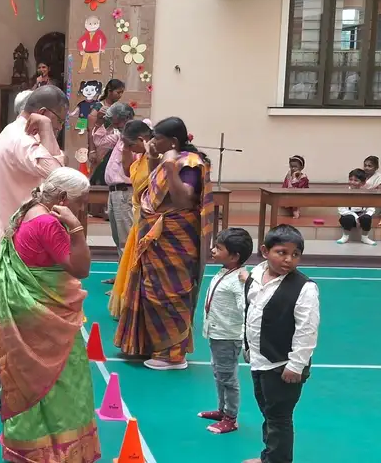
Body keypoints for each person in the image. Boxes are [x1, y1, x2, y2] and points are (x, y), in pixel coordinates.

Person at [0, 167, 100, 463]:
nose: (83, 207)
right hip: (47, 321)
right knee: (59, 379)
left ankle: (27, 443)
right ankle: (54, 451)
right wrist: (77, 229)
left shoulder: (28, 209)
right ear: (64, 198)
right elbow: (80, 269)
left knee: (28, 376)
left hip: (27, 313)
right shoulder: (48, 224)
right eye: (82, 201)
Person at [113, 116, 214, 371]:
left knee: (170, 293)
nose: (152, 142)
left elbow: (182, 201)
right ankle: (152, 345)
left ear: (172, 141)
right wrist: (156, 161)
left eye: (157, 138)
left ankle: (173, 355)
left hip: (174, 239)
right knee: (150, 290)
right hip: (154, 239)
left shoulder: (190, 164)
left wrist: (168, 166)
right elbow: (146, 194)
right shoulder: (162, 161)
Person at [0, 85, 65, 414]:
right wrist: (47, 130)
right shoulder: (22, 139)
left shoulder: (12, 131)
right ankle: (13, 394)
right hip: (20, 248)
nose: (60, 128)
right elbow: (60, 175)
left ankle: (15, 390)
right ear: (43, 114)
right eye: (59, 121)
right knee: (18, 325)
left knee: (15, 321)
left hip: (16, 241)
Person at [242, 224, 320, 463]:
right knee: (268, 412)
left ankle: (277, 461)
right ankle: (270, 456)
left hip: (283, 365)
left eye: (295, 255)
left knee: (279, 417)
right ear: (265, 251)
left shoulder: (304, 288)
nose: (288, 259)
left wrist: (296, 365)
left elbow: (307, 330)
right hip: (259, 360)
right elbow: (251, 314)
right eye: (282, 253)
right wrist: (248, 346)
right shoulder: (255, 275)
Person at [198, 227, 251, 435]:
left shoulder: (239, 280)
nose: (213, 250)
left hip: (228, 336)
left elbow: (245, 308)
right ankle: (222, 410)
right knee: (218, 373)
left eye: (218, 248)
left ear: (235, 256)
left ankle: (231, 417)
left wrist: (247, 336)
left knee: (228, 377)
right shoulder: (224, 271)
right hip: (216, 333)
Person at [107, 119, 154, 318]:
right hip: (137, 214)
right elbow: (128, 171)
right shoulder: (141, 157)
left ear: (142, 140)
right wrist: (125, 147)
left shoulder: (155, 158)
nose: (127, 148)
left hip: (148, 217)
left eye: (130, 144)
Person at [92, 100, 136, 283]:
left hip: (125, 191)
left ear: (123, 118)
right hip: (114, 192)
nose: (112, 120)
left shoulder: (136, 132)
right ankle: (121, 277)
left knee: (127, 238)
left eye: (114, 118)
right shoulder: (119, 135)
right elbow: (99, 142)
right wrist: (101, 123)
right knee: (118, 237)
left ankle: (128, 283)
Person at [87, 80, 129, 188]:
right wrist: (91, 150)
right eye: (118, 92)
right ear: (109, 91)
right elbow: (91, 129)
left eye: (121, 93)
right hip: (101, 144)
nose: (120, 95)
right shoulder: (99, 107)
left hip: (116, 143)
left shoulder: (119, 107)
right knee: (97, 174)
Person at [337, 168, 378, 245]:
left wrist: (365, 215)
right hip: (349, 216)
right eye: (350, 179)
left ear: (363, 183)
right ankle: (345, 236)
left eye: (356, 180)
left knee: (367, 218)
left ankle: (365, 237)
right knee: (348, 218)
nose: (352, 182)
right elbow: (342, 210)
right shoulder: (344, 193)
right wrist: (356, 217)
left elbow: (371, 208)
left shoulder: (366, 194)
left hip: (362, 216)